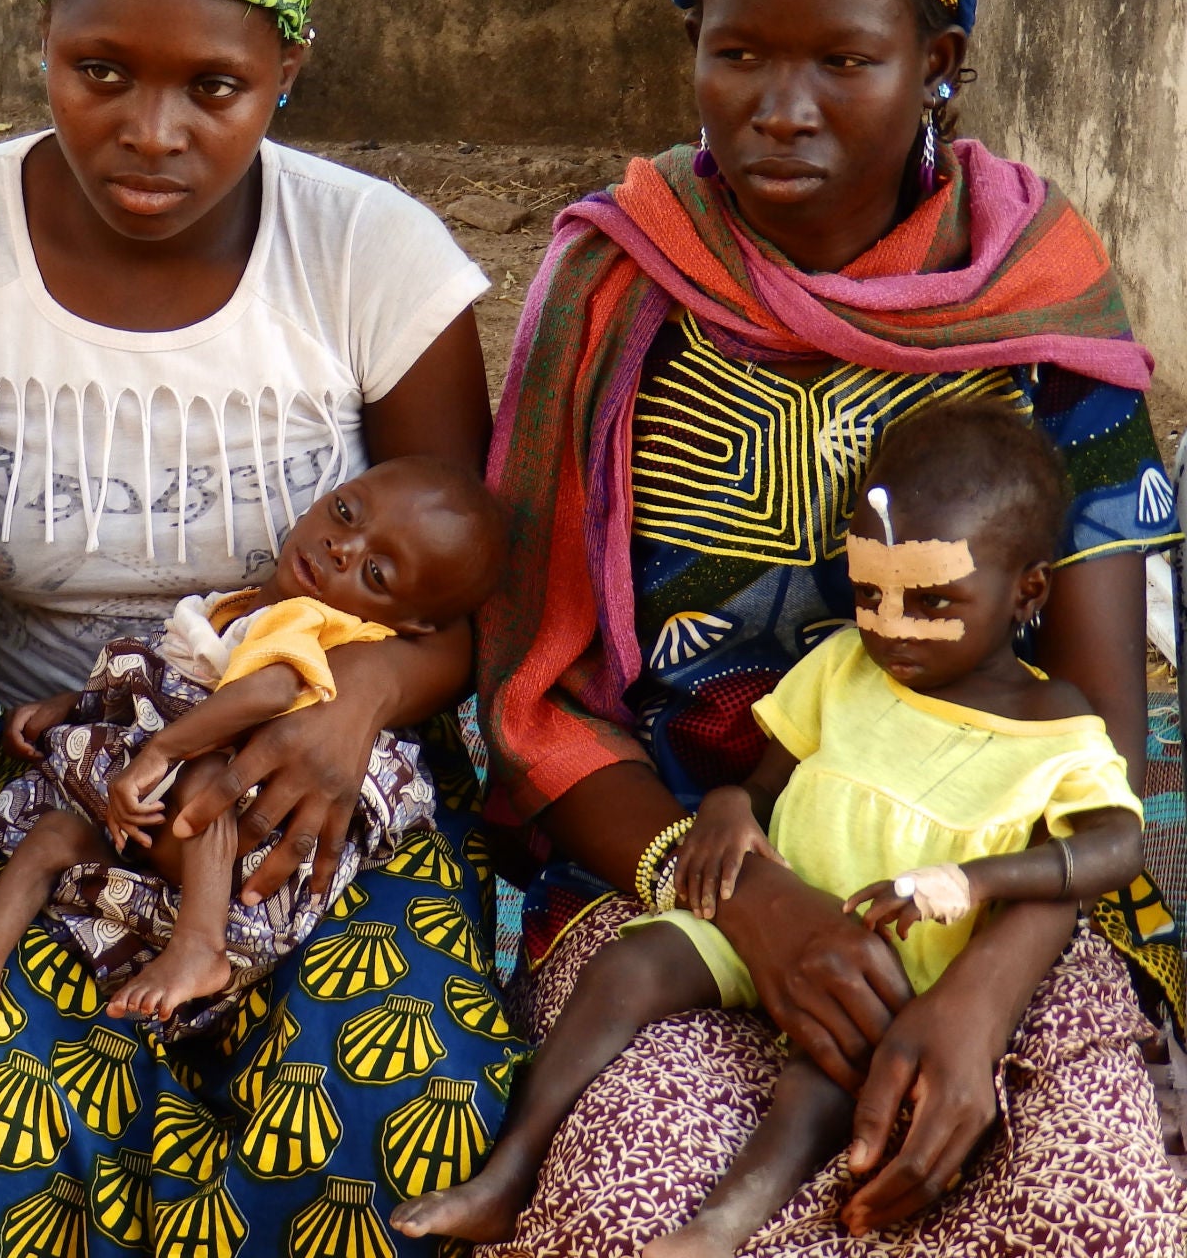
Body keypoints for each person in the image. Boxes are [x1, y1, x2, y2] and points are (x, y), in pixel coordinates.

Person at [475, 0, 1184, 1256]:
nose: (779, 109)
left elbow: (1104, 738)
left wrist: (982, 987)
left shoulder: (1039, 302)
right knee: (625, 1208)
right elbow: (531, 692)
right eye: (737, 56)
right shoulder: (616, 287)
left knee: (1098, 1211)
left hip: (1004, 901)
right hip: (676, 881)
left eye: (844, 64)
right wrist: (752, 907)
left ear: (939, 64)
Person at [0, 0, 507, 1257]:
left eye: (214, 87)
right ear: (43, 43)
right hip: (58, 797)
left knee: (403, 1117)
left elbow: (469, 587)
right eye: (100, 71)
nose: (152, 132)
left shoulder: (373, 257)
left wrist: (367, 701)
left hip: (321, 799)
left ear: (288, 68)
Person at [404, 403, 1145, 1252]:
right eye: (871, 594)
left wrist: (980, 883)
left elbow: (1113, 848)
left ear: (1029, 590)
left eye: (932, 601)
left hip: (897, 971)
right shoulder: (847, 668)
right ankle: (510, 1171)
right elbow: (764, 780)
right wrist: (724, 809)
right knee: (630, 965)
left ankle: (720, 1227)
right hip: (770, 914)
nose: (894, 625)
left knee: (821, 1081)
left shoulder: (1060, 730)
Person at [0, 457, 508, 1032]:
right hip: (169, 848)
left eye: (376, 571)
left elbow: (266, 695)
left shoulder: (312, 621)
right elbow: (163, 676)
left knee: (204, 774)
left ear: (416, 623)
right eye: (345, 511)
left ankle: (200, 943)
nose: (342, 547)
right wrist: (78, 706)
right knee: (53, 838)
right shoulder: (243, 606)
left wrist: (163, 752)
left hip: (251, 842)